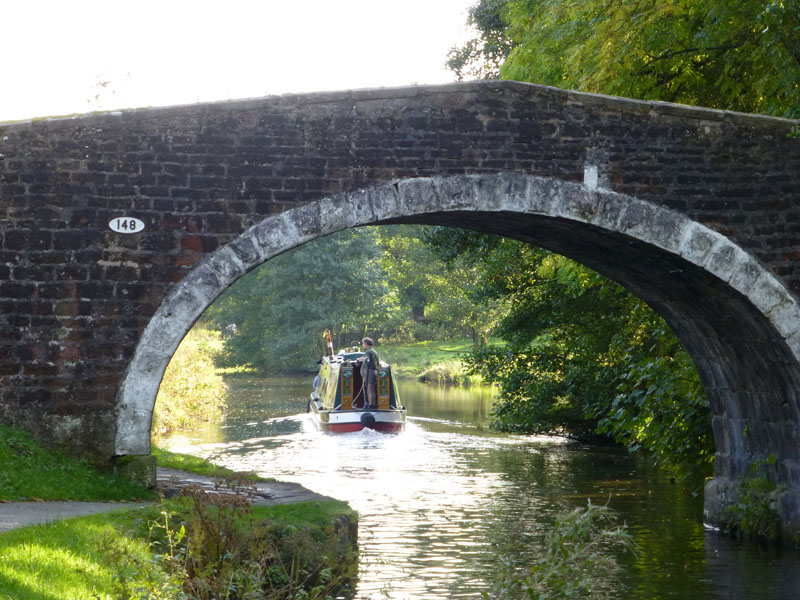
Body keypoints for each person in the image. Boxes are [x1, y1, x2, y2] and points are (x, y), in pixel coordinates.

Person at [356, 337, 380, 409]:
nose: (363, 345)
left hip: (370, 372)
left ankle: (370, 406)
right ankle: (373, 404)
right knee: (372, 389)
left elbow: (365, 358)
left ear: (366, 344)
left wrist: (358, 359)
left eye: (363, 344)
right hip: (375, 371)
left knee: (369, 389)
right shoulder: (375, 352)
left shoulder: (369, 351)